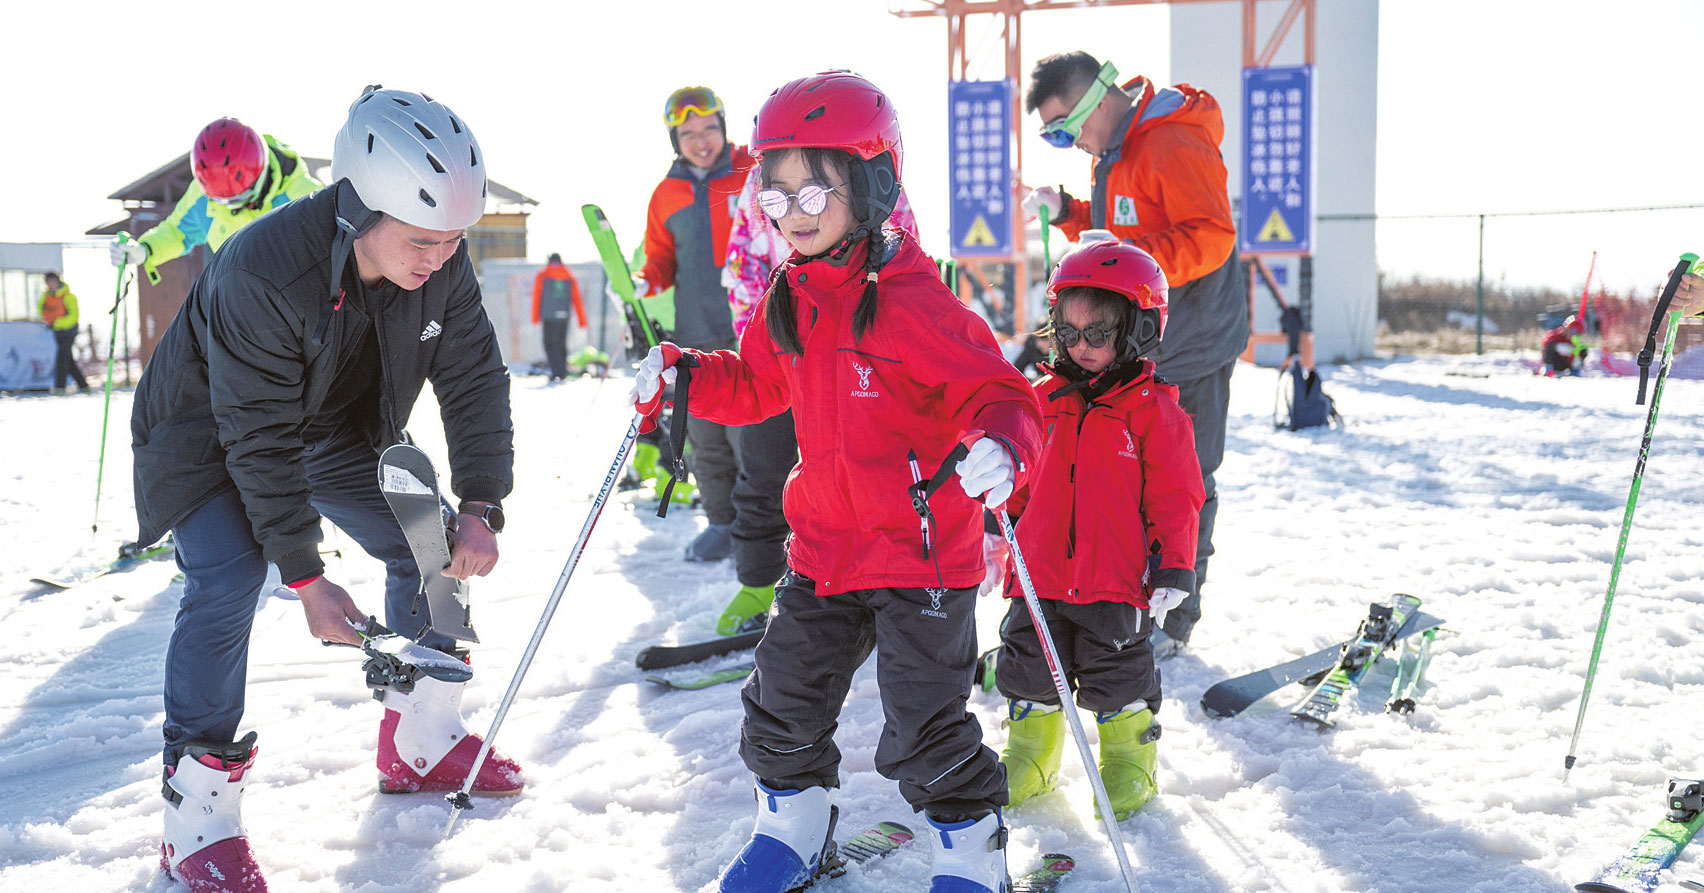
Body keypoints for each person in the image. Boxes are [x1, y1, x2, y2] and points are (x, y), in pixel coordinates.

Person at [629, 71, 1043, 893]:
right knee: (781, 701)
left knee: (925, 726)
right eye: (775, 193)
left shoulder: (921, 305)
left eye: (814, 188)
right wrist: (683, 376)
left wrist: (1003, 442)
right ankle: (792, 825)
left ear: (872, 183)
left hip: (921, 555)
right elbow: (753, 384)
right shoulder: (791, 293)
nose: (793, 211)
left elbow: (1004, 394)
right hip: (823, 547)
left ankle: (971, 851)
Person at [129, 87, 519, 893]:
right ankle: (195, 822)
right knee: (232, 574)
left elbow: (474, 374)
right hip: (208, 435)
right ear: (358, 207)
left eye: (454, 240)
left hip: (331, 427)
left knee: (430, 539)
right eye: (421, 240)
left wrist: (480, 503)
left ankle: (422, 738)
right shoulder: (265, 271)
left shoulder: (440, 261)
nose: (439, 258)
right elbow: (256, 436)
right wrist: (305, 575)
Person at [1022, 50, 1247, 653]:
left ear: (1099, 95)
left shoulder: (1171, 140)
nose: (1067, 141)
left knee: (1183, 477)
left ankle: (1176, 619)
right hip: (1132, 341)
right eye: (1053, 134)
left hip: (1191, 341)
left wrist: (1128, 262)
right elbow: (1123, 225)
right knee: (1120, 476)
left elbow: (1210, 236)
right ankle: (1122, 604)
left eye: (1066, 125)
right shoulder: (1112, 154)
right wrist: (1071, 215)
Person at [992, 239, 1203, 823]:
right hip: (1038, 577)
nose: (1080, 347)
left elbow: (1177, 500)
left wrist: (1174, 567)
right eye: (1069, 332)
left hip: (1114, 580)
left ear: (1137, 330)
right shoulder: (1038, 402)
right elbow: (1020, 482)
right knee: (1028, 669)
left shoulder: (1155, 414)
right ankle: (1032, 758)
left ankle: (1128, 763)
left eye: (1098, 333)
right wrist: (995, 531)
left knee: (1117, 675)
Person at [710, 158, 922, 636]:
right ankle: (758, 583)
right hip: (782, 343)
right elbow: (743, 261)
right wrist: (765, 339)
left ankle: (876, 588)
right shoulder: (759, 181)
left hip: (854, 352)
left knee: (859, 470)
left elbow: (901, 248)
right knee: (763, 470)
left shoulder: (864, 171)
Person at [638, 86, 755, 563]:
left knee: (753, 439)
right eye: (688, 133)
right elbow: (660, 261)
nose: (701, 140)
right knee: (705, 439)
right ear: (675, 139)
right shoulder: (665, 195)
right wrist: (645, 281)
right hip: (695, 333)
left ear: (724, 128)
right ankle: (722, 523)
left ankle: (762, 529)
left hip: (752, 329)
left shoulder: (755, 169)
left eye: (709, 128)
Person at [109, 117, 322, 281]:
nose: (229, 207)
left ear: (260, 175)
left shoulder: (302, 197)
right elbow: (176, 231)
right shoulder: (202, 196)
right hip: (235, 304)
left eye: (239, 198)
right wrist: (145, 250)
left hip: (293, 305)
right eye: (222, 200)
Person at [533, 252, 586, 382]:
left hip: (549, 317)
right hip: (564, 316)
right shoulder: (569, 276)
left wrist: (535, 317)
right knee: (561, 344)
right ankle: (562, 372)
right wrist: (582, 320)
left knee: (550, 344)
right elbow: (577, 299)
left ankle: (555, 371)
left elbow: (537, 297)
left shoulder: (543, 275)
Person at [37, 272, 89, 394]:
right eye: (49, 282)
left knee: (62, 358)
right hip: (57, 330)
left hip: (69, 331)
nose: (51, 284)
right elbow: (41, 309)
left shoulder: (68, 297)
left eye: (53, 281)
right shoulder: (46, 297)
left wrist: (58, 323)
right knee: (68, 359)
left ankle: (60, 387)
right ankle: (83, 385)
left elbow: (74, 316)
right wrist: (50, 321)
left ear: (58, 281)